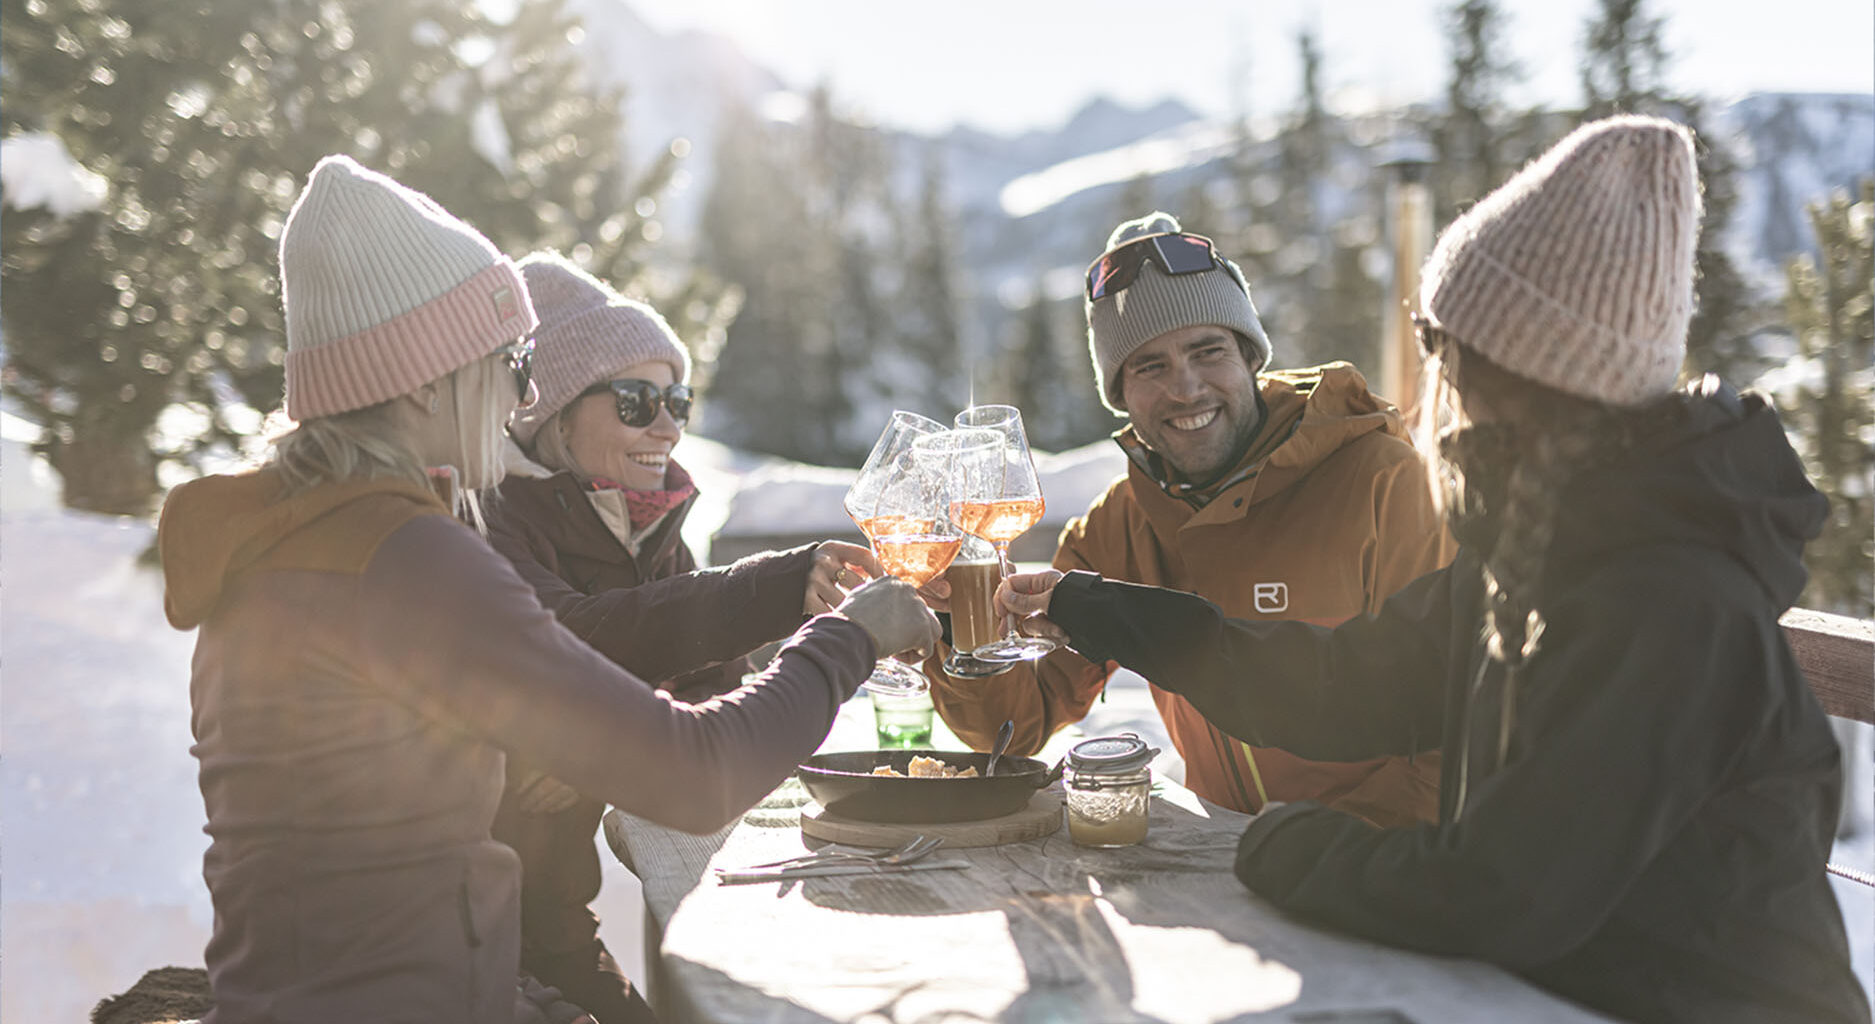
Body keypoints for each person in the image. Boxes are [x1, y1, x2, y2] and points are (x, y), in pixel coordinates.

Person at [995, 117, 1868, 1023]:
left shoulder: (1661, 598)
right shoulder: (1543, 550)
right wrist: (1097, 611)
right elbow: (1336, 682)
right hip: (1549, 995)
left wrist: (1282, 845)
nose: (1431, 378)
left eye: (1444, 345)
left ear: (1529, 374)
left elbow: (1502, 890)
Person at [157, 155, 939, 1024]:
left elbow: (369, 862)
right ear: (423, 377)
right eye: (511, 363)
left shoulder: (278, 547)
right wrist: (850, 639)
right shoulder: (411, 560)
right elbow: (695, 773)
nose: (517, 398)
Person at [921, 210, 1452, 827]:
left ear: (1250, 358)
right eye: (1150, 367)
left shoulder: (1383, 481)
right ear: (1120, 393)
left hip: (1373, 863)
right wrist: (960, 628)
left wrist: (1316, 852)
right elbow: (1014, 729)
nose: (1187, 388)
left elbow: (1449, 722)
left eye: (1208, 351)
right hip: (1220, 868)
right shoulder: (1117, 526)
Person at [484, 250, 880, 1023]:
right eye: (635, 400)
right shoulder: (490, 515)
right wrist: (778, 587)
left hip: (556, 922)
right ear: (552, 411)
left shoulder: (647, 521)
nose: (666, 423)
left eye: (678, 398)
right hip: (472, 941)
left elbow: (707, 691)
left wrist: (588, 749)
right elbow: (570, 639)